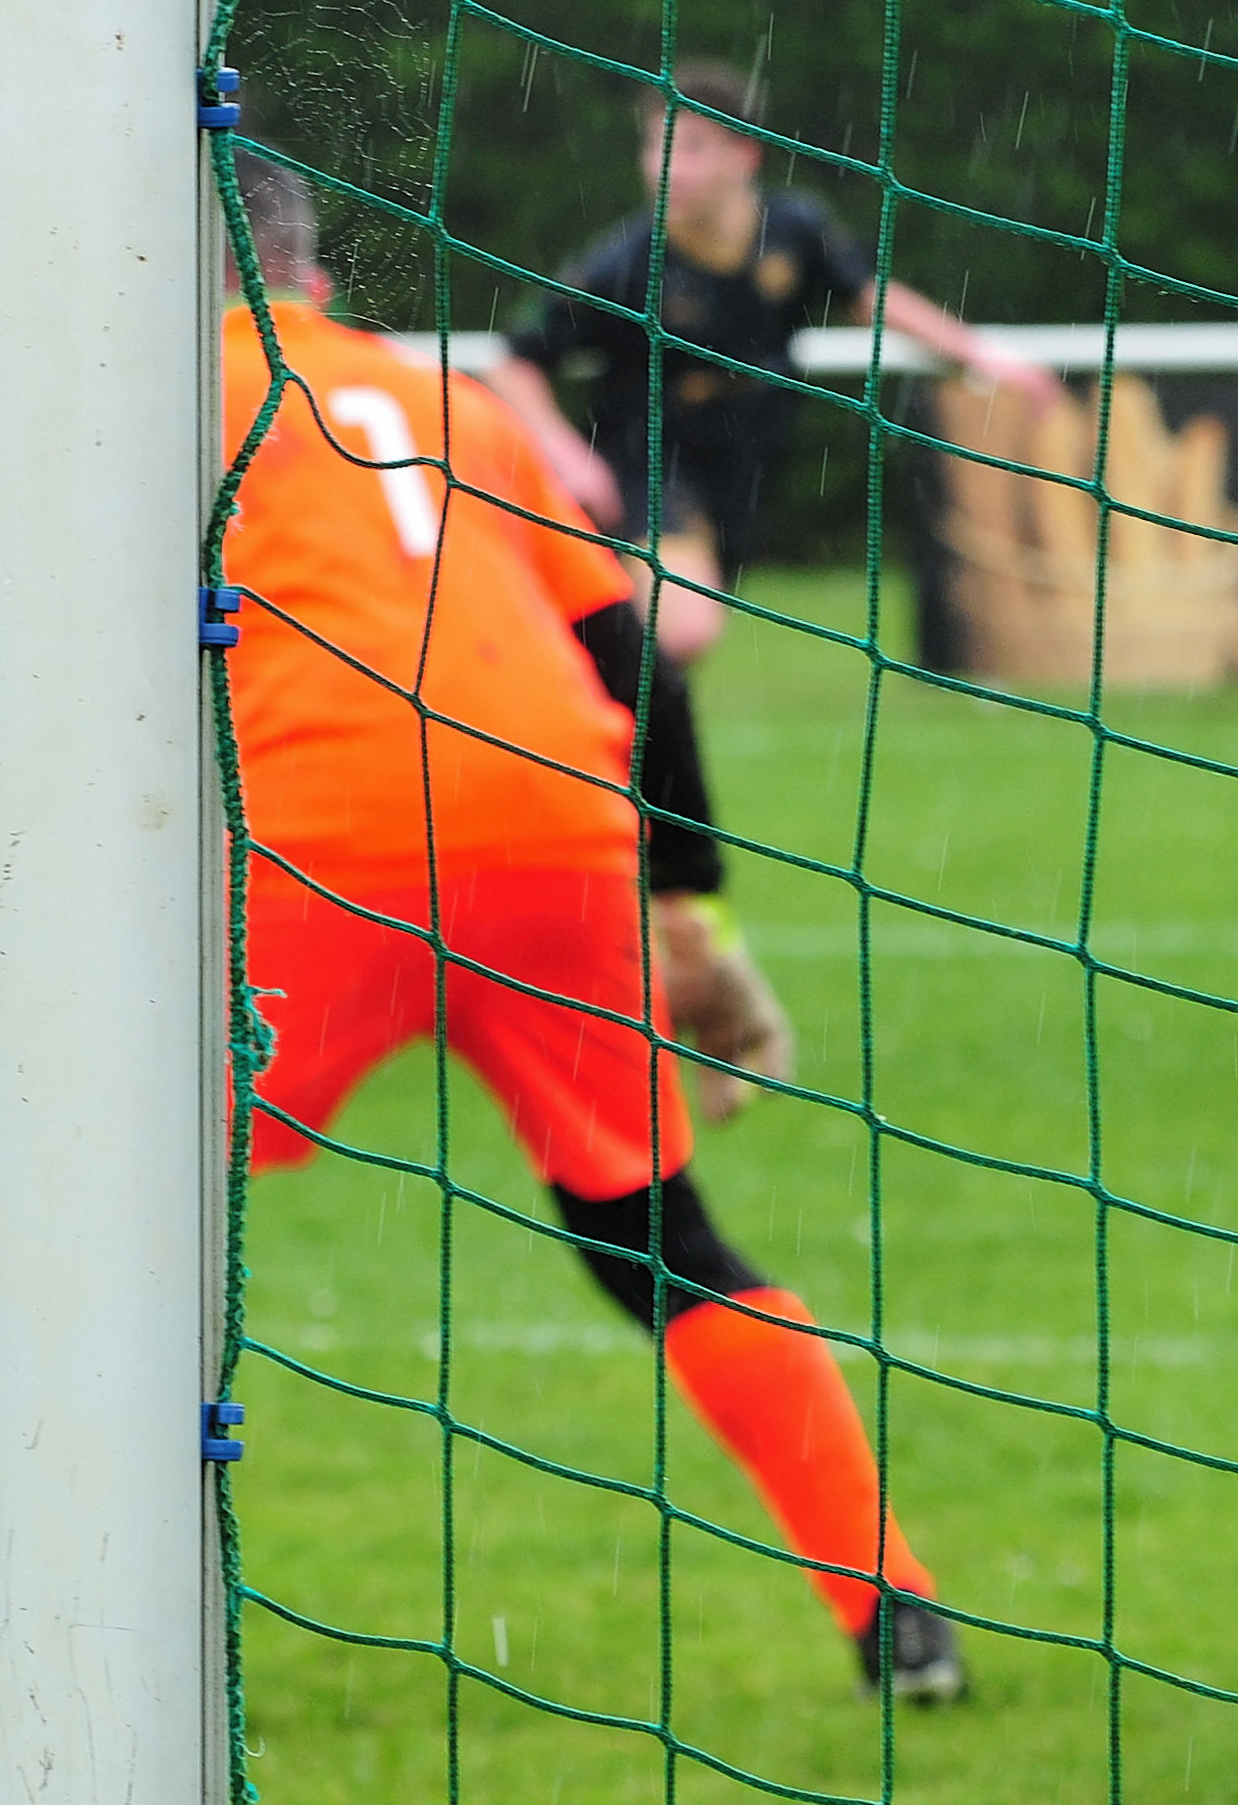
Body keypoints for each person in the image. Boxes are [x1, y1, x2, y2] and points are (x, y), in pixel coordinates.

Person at [222, 152, 965, 1702]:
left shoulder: (159, 386)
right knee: (657, 1243)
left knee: (119, 1226)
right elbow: (636, 657)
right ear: (319, 278)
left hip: (329, 845)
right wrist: (690, 913)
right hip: (560, 833)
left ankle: (28, 1617)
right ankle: (892, 1611)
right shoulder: (453, 407)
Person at [487, 58, 1062, 663]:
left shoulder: (796, 229)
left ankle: (595, 720)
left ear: (745, 156)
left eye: (692, 150)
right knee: (678, 628)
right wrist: (568, 457)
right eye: (656, 147)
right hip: (654, 464)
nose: (665, 169)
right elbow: (513, 362)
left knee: (651, 654)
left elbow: (872, 297)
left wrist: (982, 356)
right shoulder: (623, 264)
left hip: (745, 467)